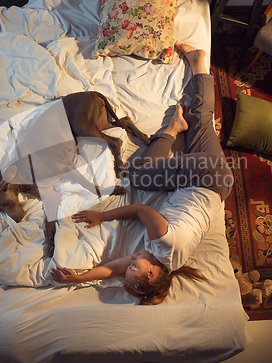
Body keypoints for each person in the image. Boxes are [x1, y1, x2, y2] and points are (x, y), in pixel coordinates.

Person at [51, 44, 234, 305]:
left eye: (130, 266)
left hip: (220, 182)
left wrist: (78, 278)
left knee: (201, 118)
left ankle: (196, 62)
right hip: (202, 177)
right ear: (151, 273)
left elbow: (113, 268)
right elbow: (140, 210)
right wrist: (101, 216)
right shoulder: (166, 243)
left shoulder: (164, 259)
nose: (131, 261)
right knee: (137, 177)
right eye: (134, 268)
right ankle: (172, 129)